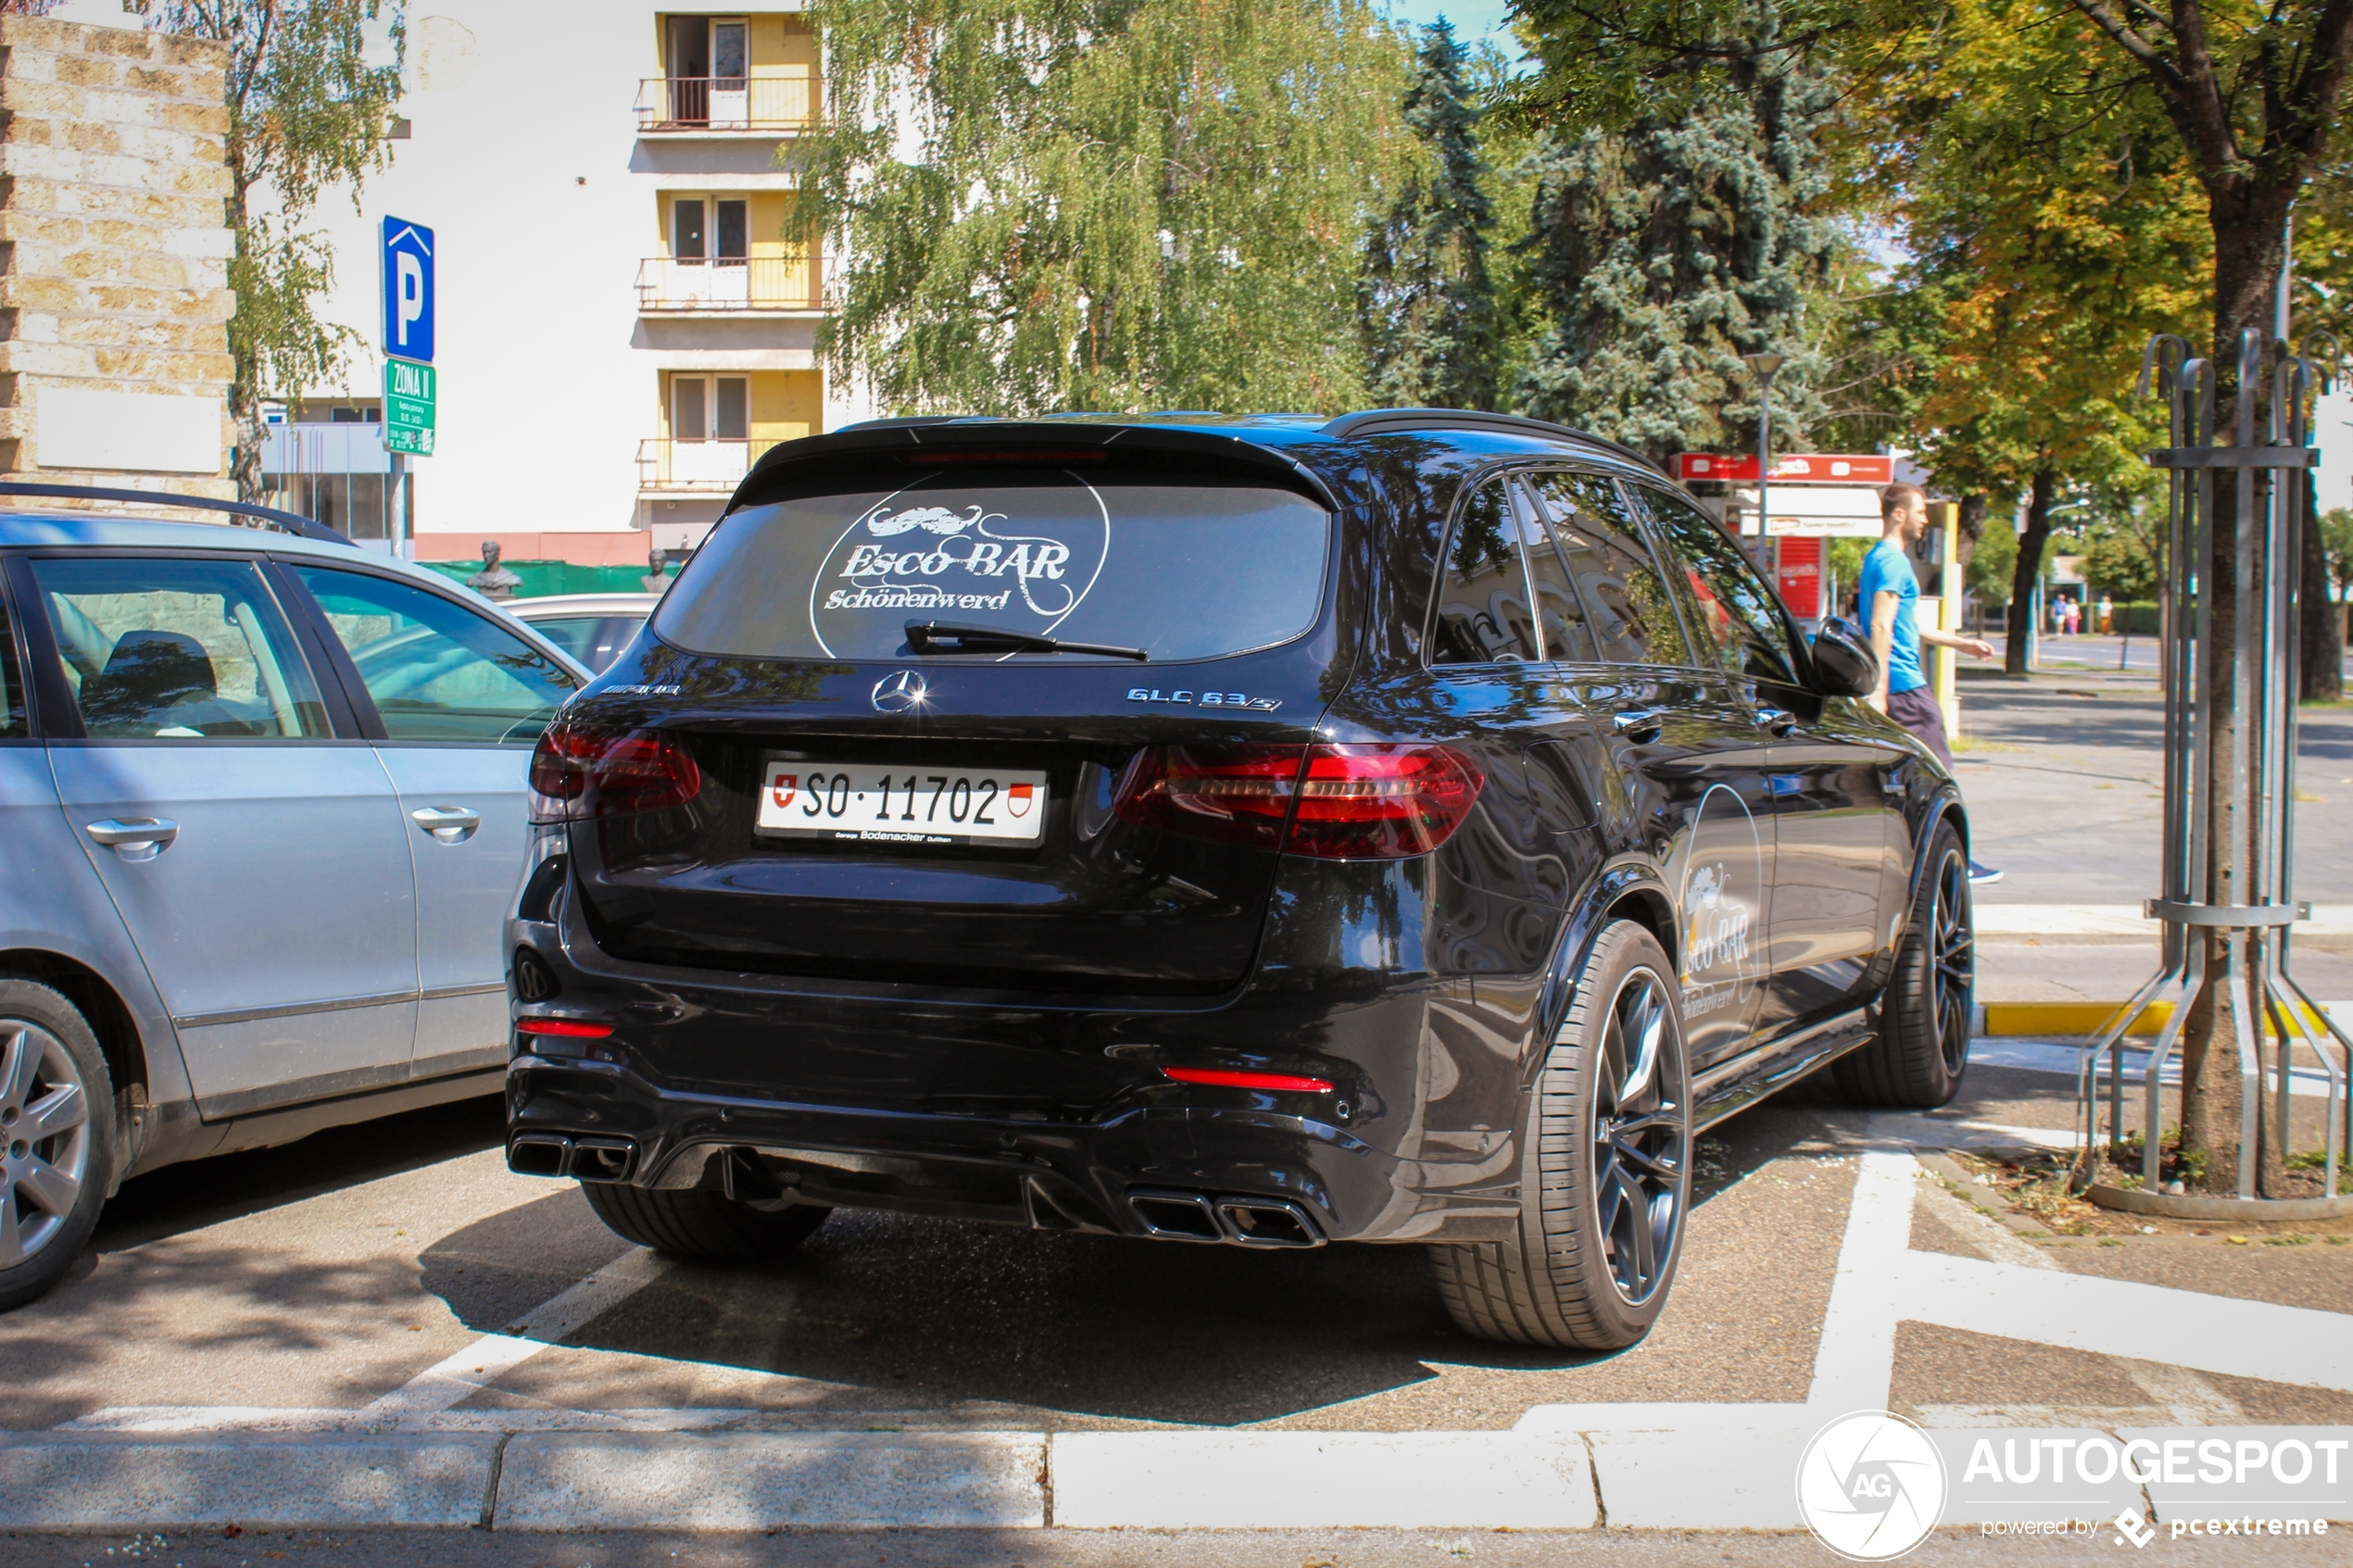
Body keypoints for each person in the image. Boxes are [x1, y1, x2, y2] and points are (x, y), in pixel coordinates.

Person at [1859, 483, 2004, 884]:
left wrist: (1961, 643)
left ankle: (1917, 861)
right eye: (1920, 511)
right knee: (1938, 778)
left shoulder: (1880, 558)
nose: (1926, 519)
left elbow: (1907, 626)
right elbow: (1881, 625)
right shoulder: (1892, 563)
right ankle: (1953, 863)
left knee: (1905, 780)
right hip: (1906, 690)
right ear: (1899, 514)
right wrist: (1880, 691)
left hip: (1900, 686)